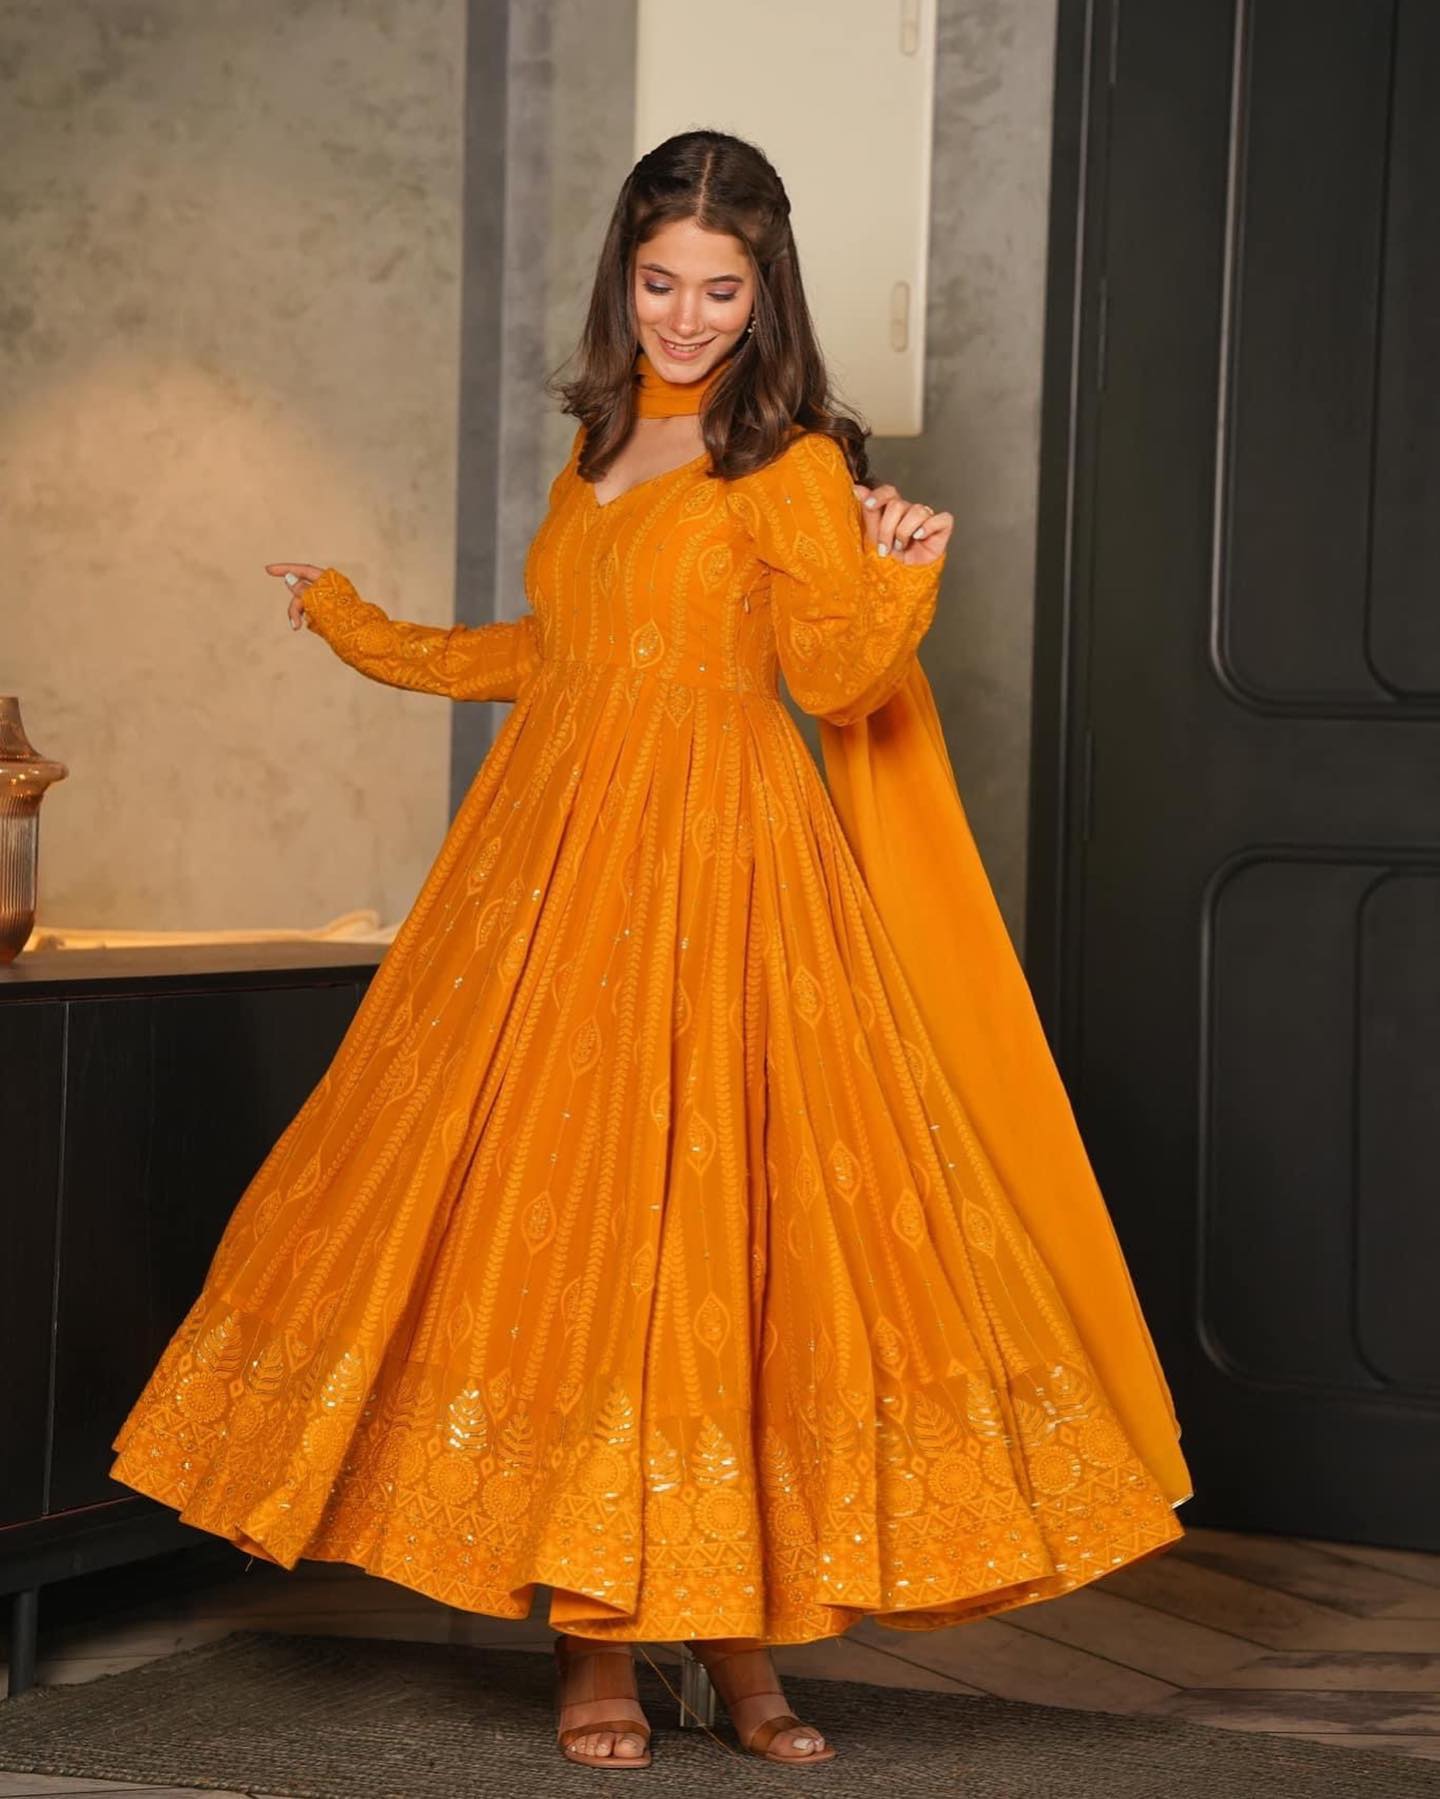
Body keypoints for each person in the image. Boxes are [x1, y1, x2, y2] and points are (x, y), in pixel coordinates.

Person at [111, 128, 1190, 1771]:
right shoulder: (599, 443)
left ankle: (746, 1651)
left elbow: (831, 682)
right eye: (661, 281)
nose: (686, 317)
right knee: (570, 1251)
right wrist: (357, 622)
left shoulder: (798, 464)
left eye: (721, 291)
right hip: (544, 891)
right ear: (625, 277)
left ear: (768, 301)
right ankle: (595, 1649)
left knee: (736, 1250)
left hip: (727, 880)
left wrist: (902, 587)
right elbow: (556, 653)